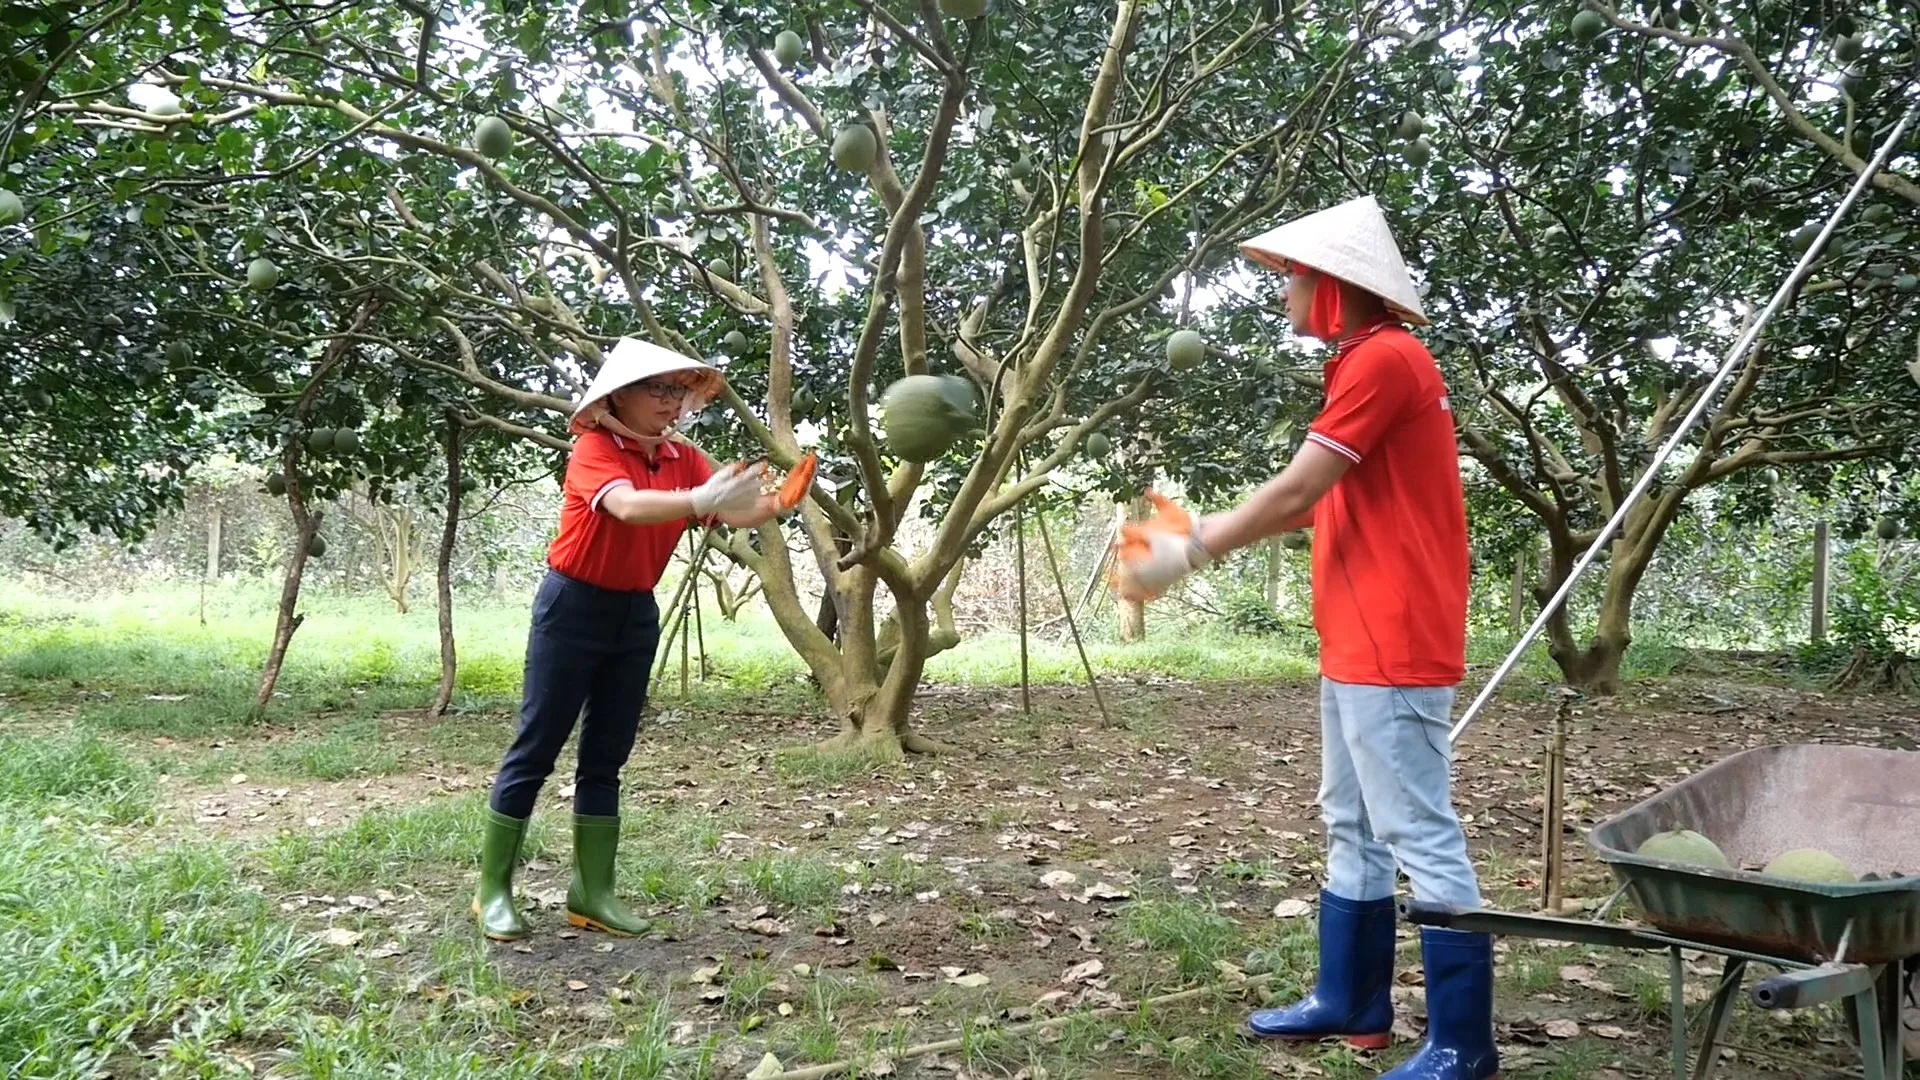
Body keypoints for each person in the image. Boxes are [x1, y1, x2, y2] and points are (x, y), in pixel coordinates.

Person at [1112, 194, 1494, 1079]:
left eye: (1291, 277)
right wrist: (1200, 534)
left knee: (1419, 831)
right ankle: (1352, 1000)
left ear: (1333, 285)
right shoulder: (1365, 362)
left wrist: (1190, 547)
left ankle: (1464, 1046)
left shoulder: (1386, 360)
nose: (1282, 290)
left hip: (1394, 636)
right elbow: (1325, 504)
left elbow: (1295, 490)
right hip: (1360, 633)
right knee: (1352, 822)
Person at [474, 337, 783, 941]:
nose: (672, 403)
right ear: (619, 395)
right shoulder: (593, 449)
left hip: (635, 613)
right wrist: (699, 498)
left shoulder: (682, 457)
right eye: (659, 389)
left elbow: (738, 512)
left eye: (679, 391)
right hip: (572, 607)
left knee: (606, 757)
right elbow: (626, 507)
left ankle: (592, 893)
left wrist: (779, 495)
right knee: (537, 747)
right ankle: (493, 893)